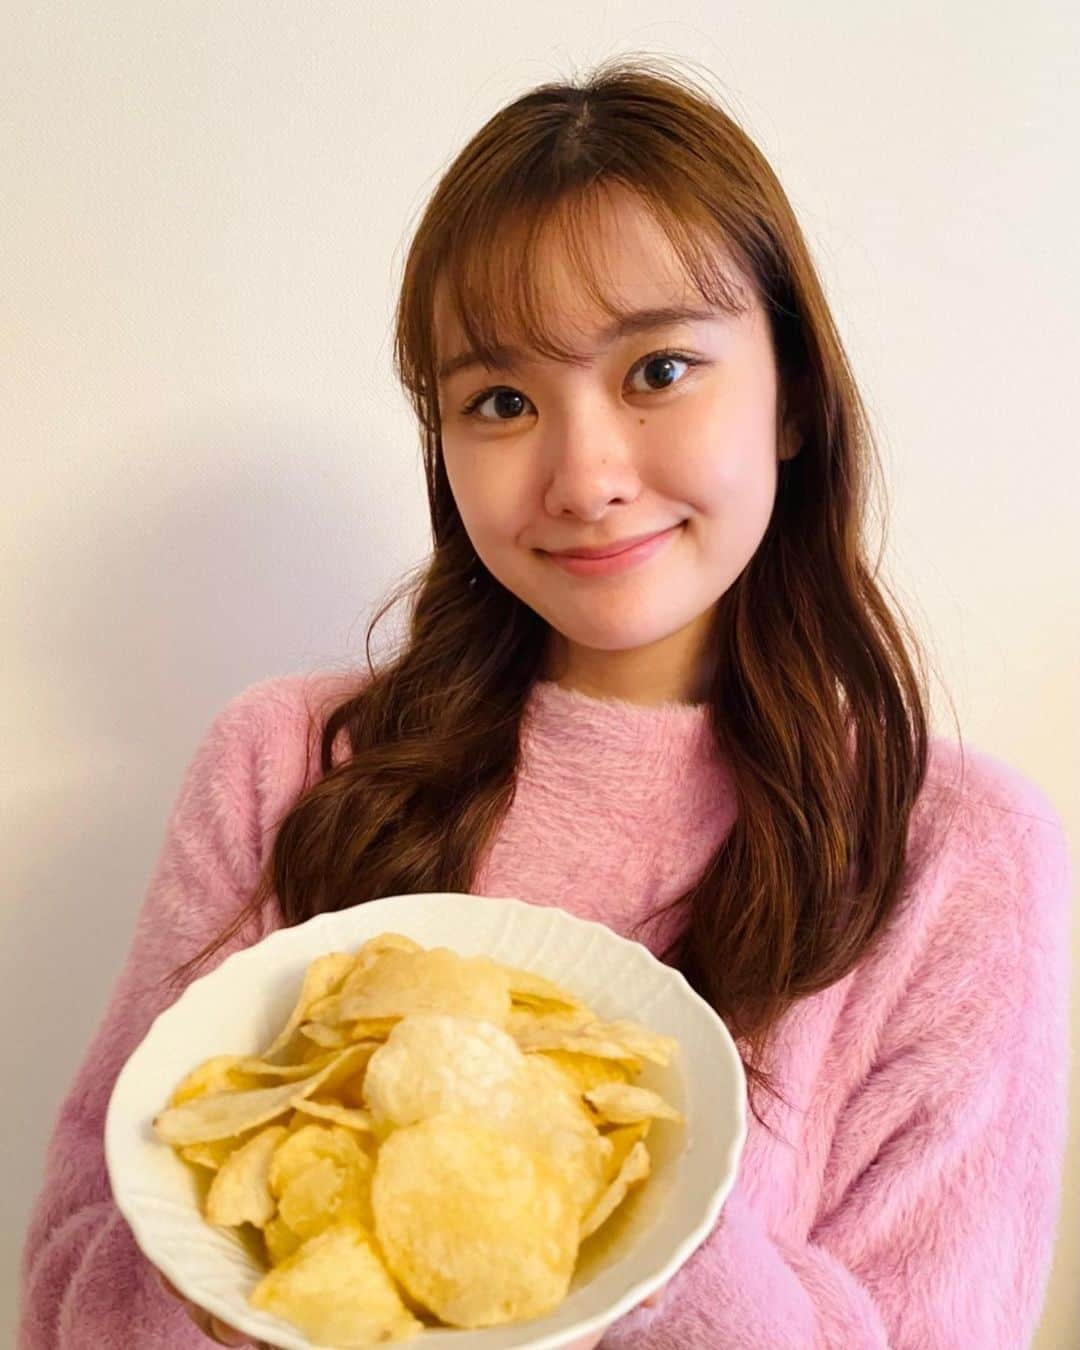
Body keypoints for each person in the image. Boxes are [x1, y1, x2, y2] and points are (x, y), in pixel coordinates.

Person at [19, 54, 1072, 1350]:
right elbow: (70, 1290)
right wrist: (242, 1293)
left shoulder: (964, 858)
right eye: (503, 399)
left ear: (792, 391)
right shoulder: (283, 762)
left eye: (659, 371)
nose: (585, 473)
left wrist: (624, 1205)